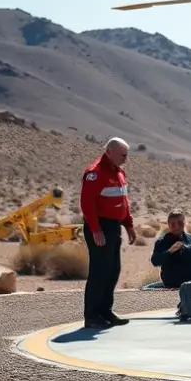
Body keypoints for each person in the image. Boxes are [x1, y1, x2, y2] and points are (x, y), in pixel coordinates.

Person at [79, 137, 137, 329]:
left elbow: (124, 201)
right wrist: (96, 230)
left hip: (114, 227)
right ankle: (92, 316)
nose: (125, 159)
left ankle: (106, 311)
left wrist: (128, 225)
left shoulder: (119, 172)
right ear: (110, 151)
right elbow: (87, 204)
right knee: (99, 272)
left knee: (113, 270)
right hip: (100, 227)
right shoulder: (95, 173)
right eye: (123, 155)